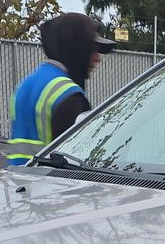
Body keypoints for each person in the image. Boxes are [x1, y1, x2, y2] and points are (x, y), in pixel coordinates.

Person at [7, 13, 115, 165]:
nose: (98, 58)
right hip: (53, 186)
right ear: (76, 47)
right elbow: (80, 164)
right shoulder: (68, 95)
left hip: (18, 182)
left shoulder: (23, 87)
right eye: (92, 48)